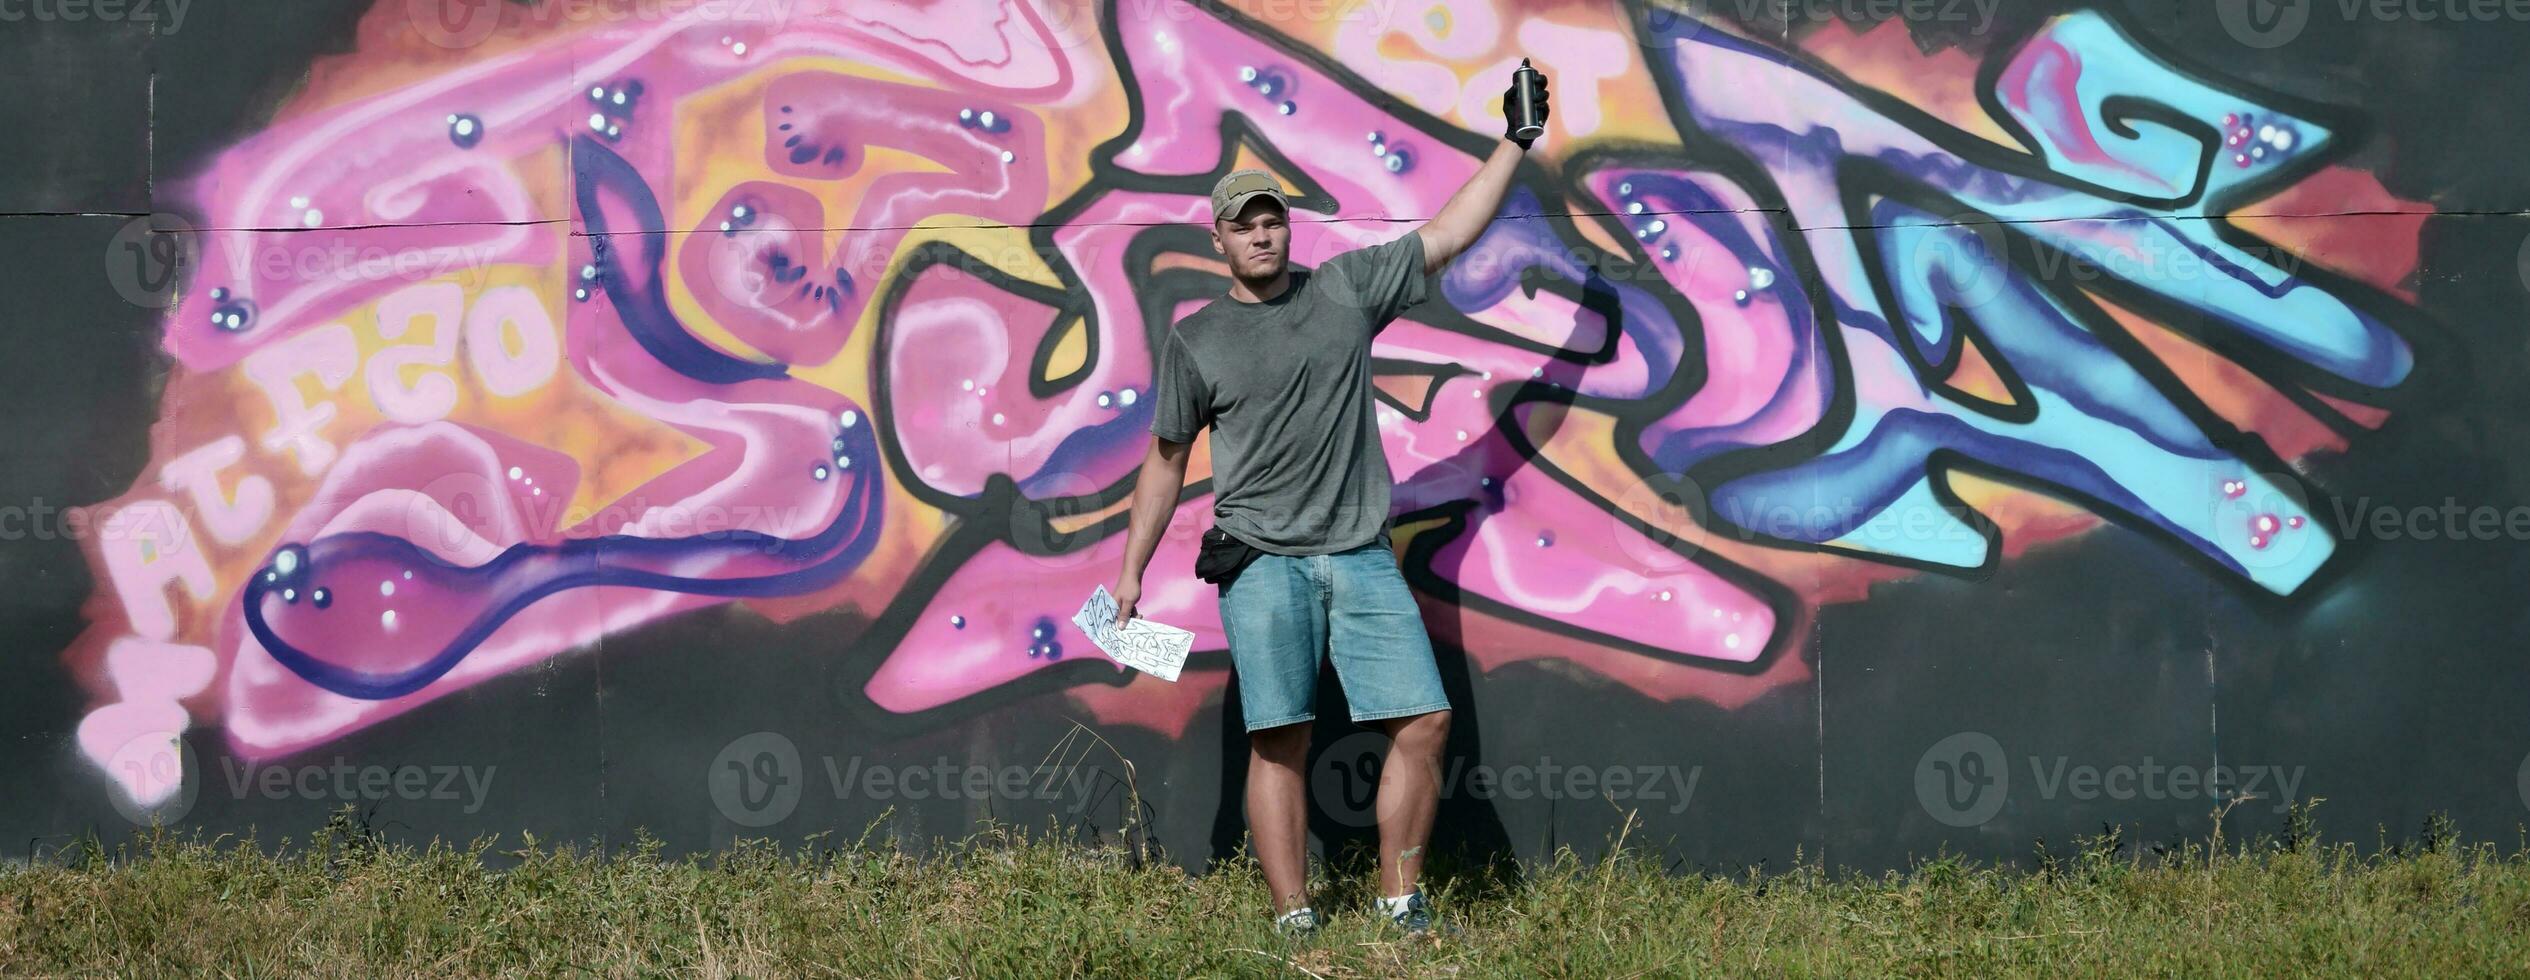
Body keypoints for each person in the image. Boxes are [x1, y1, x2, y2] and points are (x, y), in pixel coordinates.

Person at [1108, 68, 1550, 938]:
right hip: (1261, 564)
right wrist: (1129, 576)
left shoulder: (1344, 291)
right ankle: (1293, 917)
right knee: (1281, 739)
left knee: (1424, 722)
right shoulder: (1196, 340)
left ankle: (1399, 901)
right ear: (1221, 241)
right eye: (1246, 224)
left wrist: (1516, 141)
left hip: (1358, 555)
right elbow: (1163, 466)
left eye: (1273, 218)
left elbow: (1450, 232)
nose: (1264, 233)